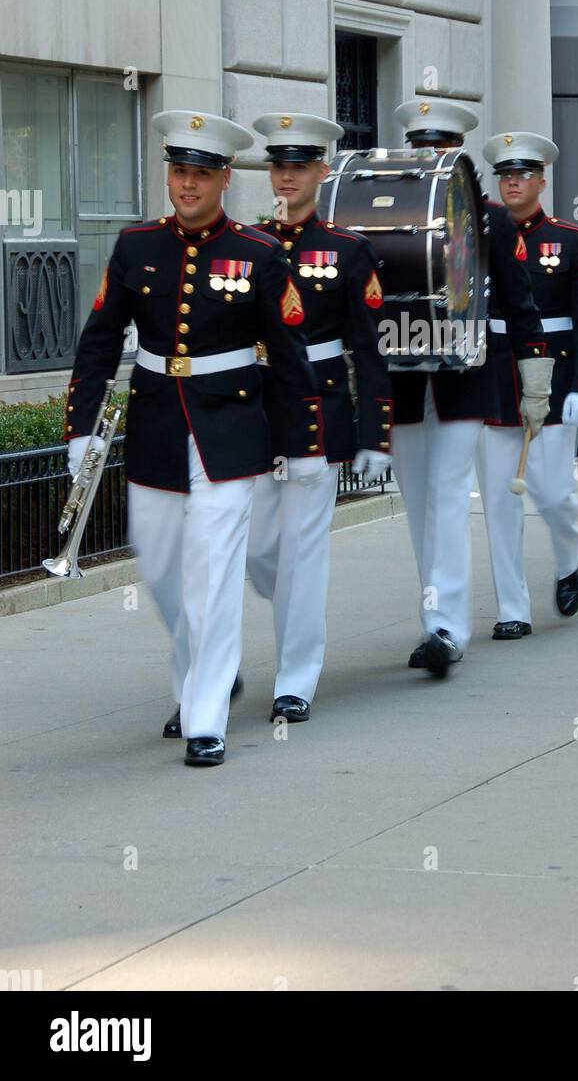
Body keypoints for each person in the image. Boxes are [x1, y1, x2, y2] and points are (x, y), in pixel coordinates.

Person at [64, 111, 323, 766]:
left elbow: (289, 359)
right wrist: (79, 432)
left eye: (200, 174)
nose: (187, 184)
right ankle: (210, 667)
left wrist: (304, 444)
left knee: (212, 572)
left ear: (224, 179)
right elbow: (97, 343)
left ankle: (205, 714)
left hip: (231, 432)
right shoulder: (136, 246)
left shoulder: (258, 255)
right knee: (158, 565)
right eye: (179, 171)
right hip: (156, 424)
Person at [388, 99, 551, 676]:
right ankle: (433, 613)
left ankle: (446, 630)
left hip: (464, 376)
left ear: (457, 152)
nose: (430, 156)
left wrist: (536, 376)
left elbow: (520, 301)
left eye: (441, 146)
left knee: (451, 496)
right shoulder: (388, 211)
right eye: (421, 147)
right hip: (404, 383)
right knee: (417, 502)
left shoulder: (489, 219)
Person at [246, 113, 392, 724]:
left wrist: (374, 431)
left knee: (305, 554)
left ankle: (295, 679)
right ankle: (283, 620)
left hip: (316, 411)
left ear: (320, 174)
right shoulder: (244, 243)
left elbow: (369, 348)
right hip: (250, 414)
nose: (286, 177)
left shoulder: (348, 250)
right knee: (253, 550)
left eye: (299, 166)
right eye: (278, 165)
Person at [475, 131, 578, 638]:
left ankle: (568, 558)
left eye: (523, 174)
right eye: (506, 175)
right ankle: (513, 607)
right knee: (499, 502)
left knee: (553, 496)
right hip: (493, 374)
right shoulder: (477, 234)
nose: (513, 182)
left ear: (542, 181)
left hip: (550, 374)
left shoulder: (569, 240)